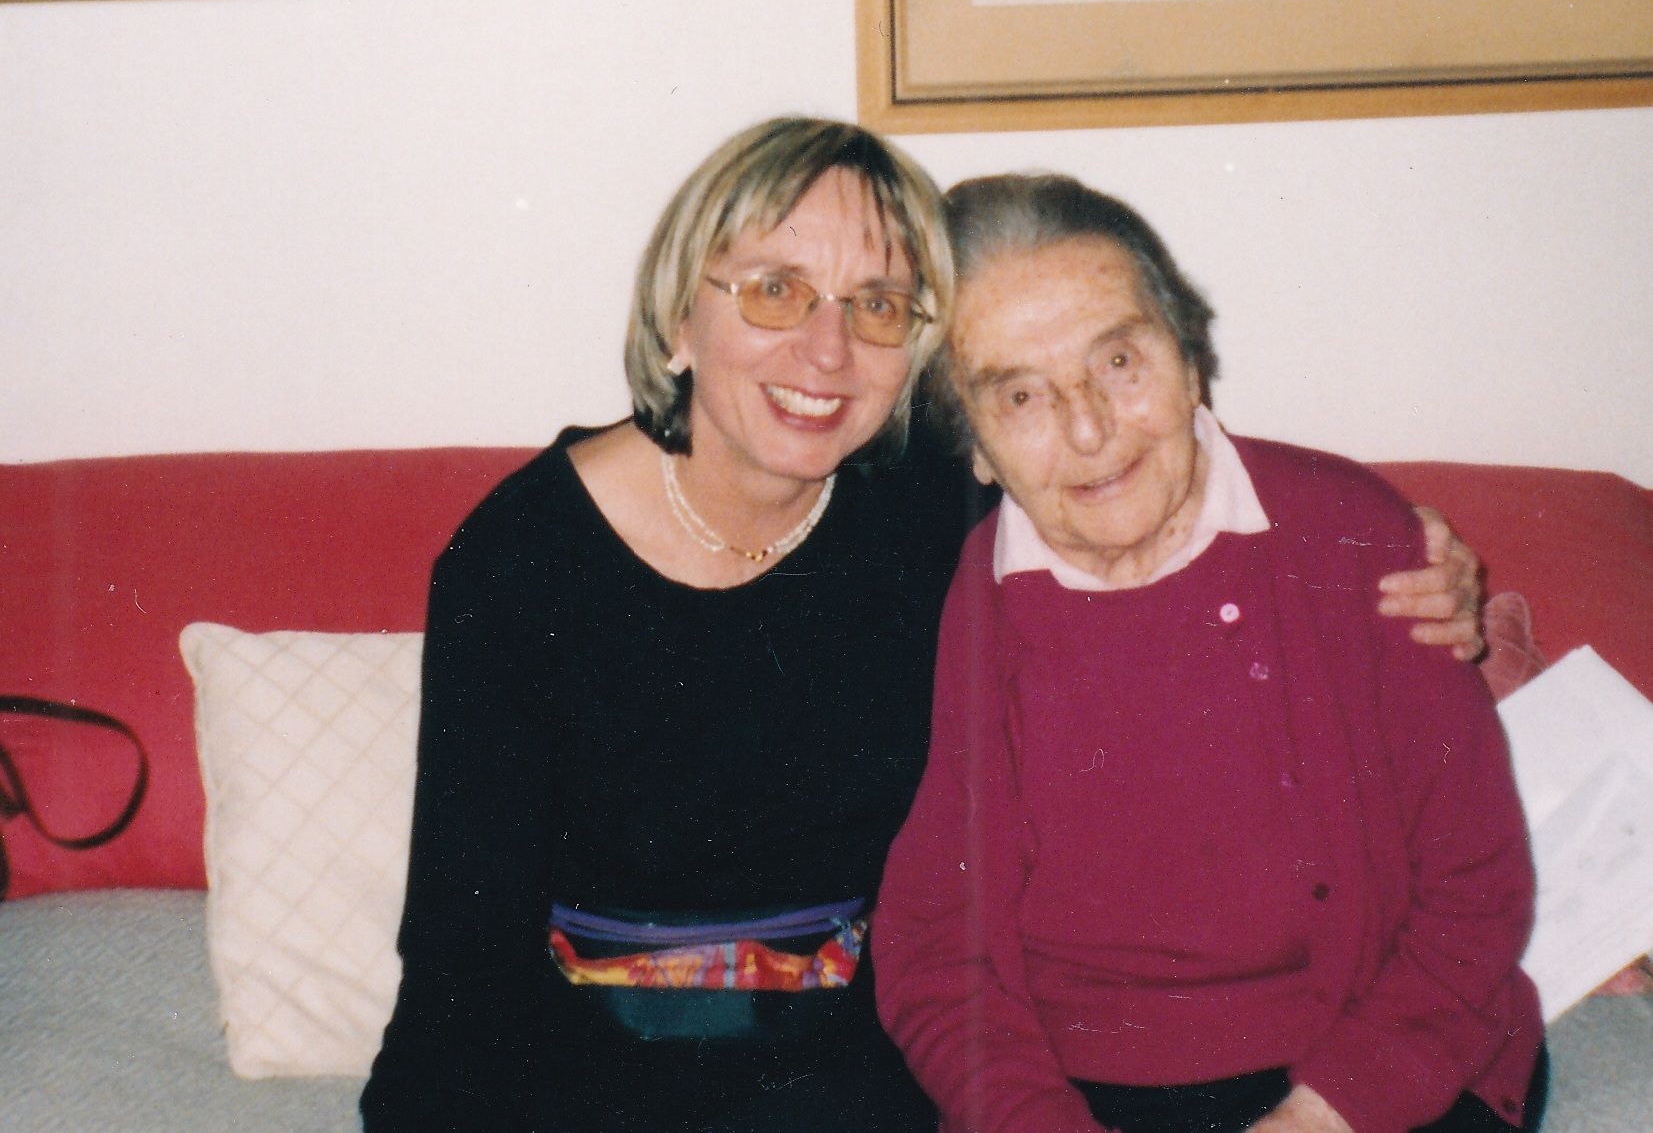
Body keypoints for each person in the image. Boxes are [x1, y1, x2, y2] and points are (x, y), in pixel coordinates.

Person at [360, 119, 1485, 1132]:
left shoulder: (930, 499)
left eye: (877, 306)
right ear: (676, 318)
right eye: (774, 290)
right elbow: (461, 950)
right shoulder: (520, 562)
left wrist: (1401, 556)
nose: (827, 350)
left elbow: (1141, 475)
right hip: (588, 1067)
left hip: (860, 1068)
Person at [873, 173, 1545, 1133]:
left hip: (1374, 1058)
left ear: (1189, 357)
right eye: (1019, 394)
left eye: (1118, 360)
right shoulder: (972, 598)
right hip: (1083, 1085)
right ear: (975, 446)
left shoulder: (1352, 535)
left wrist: (1320, 1117)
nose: (1088, 428)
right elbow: (938, 946)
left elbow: (1475, 893)